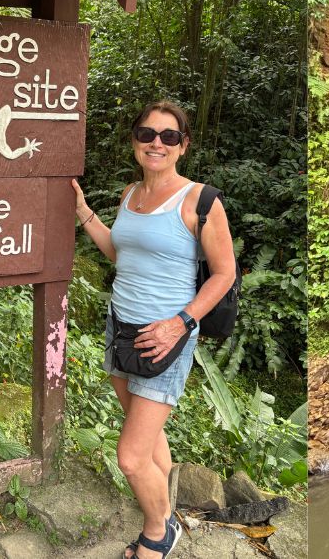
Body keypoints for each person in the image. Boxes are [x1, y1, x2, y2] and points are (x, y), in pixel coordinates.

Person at [70, 101, 237, 559]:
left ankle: (157, 531)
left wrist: (179, 324)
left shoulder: (200, 200)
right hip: (120, 327)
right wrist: (84, 211)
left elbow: (224, 274)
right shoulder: (129, 194)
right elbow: (121, 254)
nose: (156, 143)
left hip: (167, 336)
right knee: (145, 436)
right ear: (134, 141)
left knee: (130, 456)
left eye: (167, 136)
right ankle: (169, 517)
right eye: (147, 134)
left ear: (183, 145)